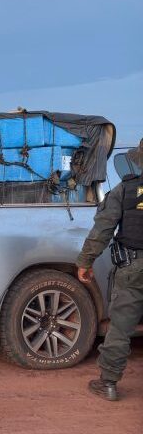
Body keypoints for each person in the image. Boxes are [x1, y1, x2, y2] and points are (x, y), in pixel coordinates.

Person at [76, 139, 143, 401]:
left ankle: (109, 384)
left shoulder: (126, 190)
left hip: (133, 268)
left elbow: (102, 231)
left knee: (121, 328)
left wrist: (85, 262)